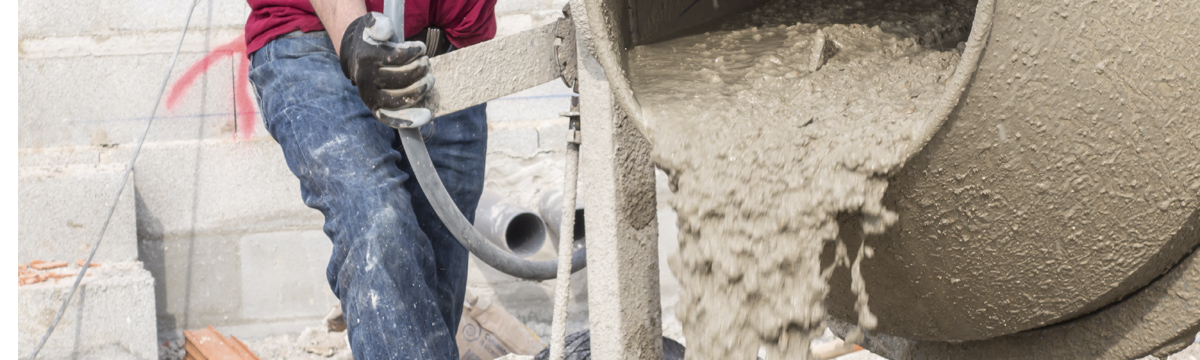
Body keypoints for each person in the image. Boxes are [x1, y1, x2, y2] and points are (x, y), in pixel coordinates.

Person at [244, 0, 497, 358]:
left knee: (432, 297)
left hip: (452, 44)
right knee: (378, 224)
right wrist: (353, 36)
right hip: (314, 38)